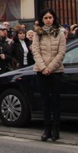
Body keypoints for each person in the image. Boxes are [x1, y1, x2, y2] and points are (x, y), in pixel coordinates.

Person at [31, 8, 66, 142]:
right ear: (42, 20)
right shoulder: (37, 34)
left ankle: (56, 129)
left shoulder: (60, 33)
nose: (48, 20)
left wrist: (50, 67)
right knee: (45, 101)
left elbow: (61, 52)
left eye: (50, 17)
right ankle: (47, 129)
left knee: (55, 101)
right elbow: (36, 51)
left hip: (56, 71)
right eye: (45, 18)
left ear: (54, 18)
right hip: (41, 71)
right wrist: (43, 68)